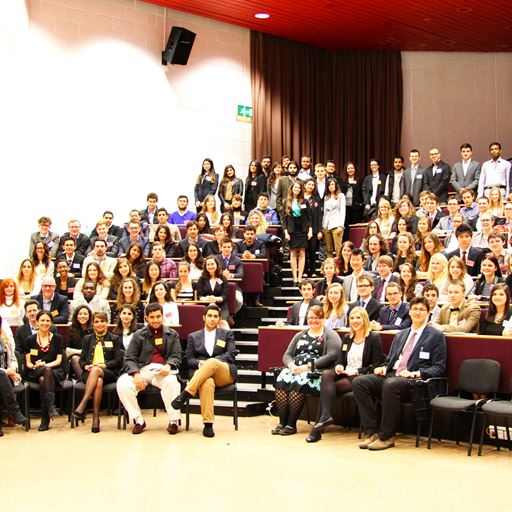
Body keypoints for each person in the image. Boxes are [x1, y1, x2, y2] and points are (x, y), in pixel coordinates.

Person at [353, 296, 447, 450]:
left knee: (391, 384)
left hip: (414, 382)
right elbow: (389, 360)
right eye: (414, 309)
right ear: (409, 312)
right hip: (393, 375)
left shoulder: (436, 337)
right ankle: (372, 432)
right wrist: (383, 367)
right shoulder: (401, 334)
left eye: (422, 309)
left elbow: (439, 367)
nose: (417, 312)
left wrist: (415, 373)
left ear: (428, 313)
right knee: (360, 382)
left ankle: (387, 436)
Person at [305, 307, 383, 443]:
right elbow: (340, 360)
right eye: (352, 318)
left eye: (358, 318)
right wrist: (339, 366)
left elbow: (376, 365)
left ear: (364, 319)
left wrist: (357, 371)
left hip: (360, 376)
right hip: (345, 372)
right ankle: (325, 416)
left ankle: (318, 428)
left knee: (327, 391)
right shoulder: (347, 337)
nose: (355, 321)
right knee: (327, 374)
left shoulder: (373, 338)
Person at [271, 305, 341, 436]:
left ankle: (291, 424)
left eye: (317, 318)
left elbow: (332, 355)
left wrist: (308, 366)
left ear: (323, 318)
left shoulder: (330, 334)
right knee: (281, 380)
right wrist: (291, 366)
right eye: (310, 318)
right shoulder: (300, 334)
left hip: (315, 371)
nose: (313, 320)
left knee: (298, 383)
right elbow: (287, 355)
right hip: (296, 368)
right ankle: (282, 422)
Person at [171, 304, 237, 438]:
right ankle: (208, 425)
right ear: (204, 317)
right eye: (210, 316)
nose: (212, 319)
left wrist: (211, 362)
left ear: (219, 319)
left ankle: (186, 393)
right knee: (207, 382)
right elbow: (189, 360)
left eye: (215, 316)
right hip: (202, 374)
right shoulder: (193, 337)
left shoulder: (227, 334)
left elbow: (230, 355)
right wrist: (199, 363)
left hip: (224, 372)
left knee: (212, 362)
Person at [116, 303, 182, 435]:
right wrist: (135, 374)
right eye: (152, 317)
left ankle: (173, 421)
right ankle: (138, 420)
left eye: (158, 316)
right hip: (142, 370)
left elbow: (176, 355)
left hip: (163, 370)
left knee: (172, 383)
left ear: (163, 316)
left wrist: (168, 365)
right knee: (122, 383)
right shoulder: (138, 335)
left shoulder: (172, 334)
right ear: (146, 318)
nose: (156, 320)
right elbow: (129, 358)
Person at [73, 312, 123, 433]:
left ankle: (83, 404)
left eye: (102, 321)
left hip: (108, 372)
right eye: (96, 322)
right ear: (93, 324)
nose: (99, 324)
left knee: (98, 373)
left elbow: (118, 360)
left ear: (107, 323)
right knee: (98, 381)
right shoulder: (87, 339)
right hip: (90, 373)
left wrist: (104, 365)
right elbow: (82, 359)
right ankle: (96, 418)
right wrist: (86, 366)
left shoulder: (114, 338)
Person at [25, 311, 65, 431]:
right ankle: (51, 407)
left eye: (48, 320)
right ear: (37, 322)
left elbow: (58, 360)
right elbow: (28, 363)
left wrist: (46, 365)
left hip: (54, 370)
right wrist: (36, 366)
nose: (45, 323)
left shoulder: (57, 338)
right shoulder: (30, 340)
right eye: (42, 320)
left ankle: (45, 417)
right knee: (43, 374)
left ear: (51, 323)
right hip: (35, 371)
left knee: (44, 378)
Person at [0, 317, 28, 435]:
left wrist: (13, 369)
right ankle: (15, 411)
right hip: (4, 375)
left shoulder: (4, 340)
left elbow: (13, 359)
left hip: (6, 378)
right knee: (1, 375)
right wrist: (7, 372)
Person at [283, 181, 312, 285]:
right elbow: (284, 219)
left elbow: (309, 217)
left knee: (302, 253)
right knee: (293, 252)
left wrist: (310, 230)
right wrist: (286, 233)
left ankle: (300, 277)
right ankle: (294, 278)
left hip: (302, 228)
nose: (297, 189)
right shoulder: (286, 201)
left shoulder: (304, 201)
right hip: (292, 229)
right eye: (295, 187)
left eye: (299, 188)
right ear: (291, 188)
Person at [196, 256, 229, 324]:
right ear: (205, 266)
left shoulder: (222, 279)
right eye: (208, 264)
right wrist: (206, 299)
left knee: (222, 322)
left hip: (221, 306)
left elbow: (225, 295)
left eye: (212, 264)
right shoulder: (202, 279)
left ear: (217, 265)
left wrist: (215, 299)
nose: (210, 266)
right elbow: (199, 296)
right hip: (206, 306)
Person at [217, 237, 244, 315]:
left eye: (229, 247)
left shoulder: (237, 260)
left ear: (232, 248)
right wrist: (221, 275)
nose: (227, 249)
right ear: (220, 247)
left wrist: (231, 275)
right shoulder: (215, 259)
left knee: (239, 301)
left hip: (234, 287)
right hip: (218, 286)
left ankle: (230, 316)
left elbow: (240, 274)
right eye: (224, 247)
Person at [66, 305, 93, 378]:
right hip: (78, 358)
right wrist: (81, 352)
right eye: (80, 314)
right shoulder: (71, 330)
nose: (82, 316)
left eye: (85, 314)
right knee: (74, 358)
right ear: (76, 316)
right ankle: (84, 380)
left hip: (91, 359)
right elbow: (68, 350)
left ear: (89, 316)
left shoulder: (93, 330)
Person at [322, 177, 346, 259]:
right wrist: (323, 226)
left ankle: (339, 267)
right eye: (329, 185)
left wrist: (341, 226)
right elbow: (325, 213)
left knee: (338, 249)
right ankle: (329, 267)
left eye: (332, 184)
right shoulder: (326, 197)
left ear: (336, 185)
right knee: (329, 249)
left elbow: (342, 211)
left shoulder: (340, 196)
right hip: (327, 225)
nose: (331, 186)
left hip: (337, 224)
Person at [340, 161, 363, 228]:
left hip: (356, 208)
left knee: (356, 226)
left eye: (352, 168)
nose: (350, 170)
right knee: (346, 226)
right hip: (345, 207)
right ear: (346, 170)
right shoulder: (342, 180)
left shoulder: (360, 180)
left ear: (355, 169)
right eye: (348, 168)